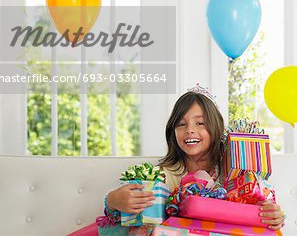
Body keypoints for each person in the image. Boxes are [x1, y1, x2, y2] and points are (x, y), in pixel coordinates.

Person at [105, 87, 285, 231]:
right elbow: (134, 219)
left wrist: (274, 216)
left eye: (200, 123)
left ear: (215, 127)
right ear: (172, 132)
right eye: (181, 124)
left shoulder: (235, 172)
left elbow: (261, 209)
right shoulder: (162, 175)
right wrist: (112, 201)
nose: (189, 130)